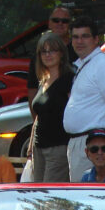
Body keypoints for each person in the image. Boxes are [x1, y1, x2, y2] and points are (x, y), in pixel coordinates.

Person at [62, 15, 105, 182]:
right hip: (80, 145)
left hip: (96, 145)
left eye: (85, 36)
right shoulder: (84, 65)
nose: (79, 41)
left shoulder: (103, 64)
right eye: (76, 37)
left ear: (95, 39)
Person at [30, 31, 73, 182]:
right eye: (44, 51)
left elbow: (74, 112)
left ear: (61, 53)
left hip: (58, 147)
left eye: (52, 50)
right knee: (37, 196)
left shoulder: (69, 79)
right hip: (38, 147)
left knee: (49, 197)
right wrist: (30, 144)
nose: (48, 55)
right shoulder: (43, 80)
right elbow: (38, 117)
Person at [27, 5, 78, 110]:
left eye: (64, 21)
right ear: (49, 23)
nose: (60, 24)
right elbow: (32, 91)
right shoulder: (37, 57)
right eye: (56, 20)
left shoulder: (78, 51)